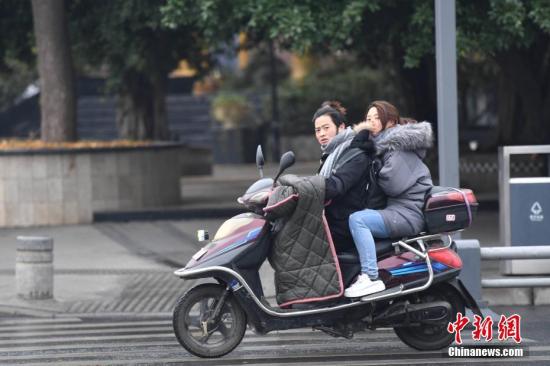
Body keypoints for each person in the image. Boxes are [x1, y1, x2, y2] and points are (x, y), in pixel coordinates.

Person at [344, 100, 434, 298]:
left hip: (407, 214)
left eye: (378, 118)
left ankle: (370, 277)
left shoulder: (398, 149)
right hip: (399, 209)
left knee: (358, 220)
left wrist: (371, 162)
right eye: (369, 118)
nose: (372, 122)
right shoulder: (385, 146)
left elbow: (391, 184)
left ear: (391, 122)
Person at [313, 101, 384, 252]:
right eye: (317, 130)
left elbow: (337, 185)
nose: (322, 134)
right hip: (334, 218)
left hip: (346, 223)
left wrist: (306, 185)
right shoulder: (329, 155)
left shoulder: (354, 152)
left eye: (326, 128)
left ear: (341, 128)